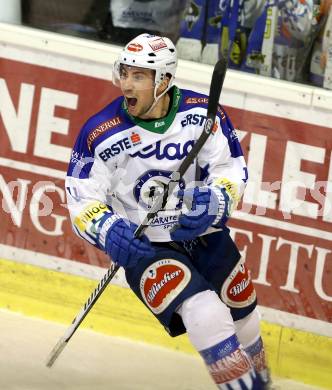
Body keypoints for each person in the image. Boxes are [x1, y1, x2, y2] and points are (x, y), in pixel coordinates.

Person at [65, 33, 270, 389]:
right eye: (125, 73)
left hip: (201, 233)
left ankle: (261, 383)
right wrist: (108, 229)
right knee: (203, 311)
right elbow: (81, 197)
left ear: (164, 81)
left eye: (139, 76)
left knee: (244, 317)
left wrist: (218, 201)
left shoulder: (201, 113)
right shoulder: (100, 132)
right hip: (146, 246)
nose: (126, 84)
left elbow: (230, 168)